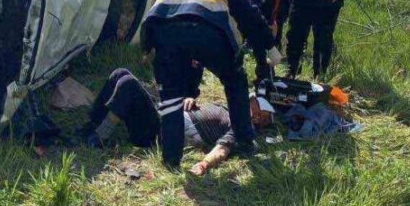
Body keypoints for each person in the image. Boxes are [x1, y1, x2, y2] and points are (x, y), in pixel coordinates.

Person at [140, 0, 283, 168]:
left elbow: (154, 7)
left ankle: (171, 160)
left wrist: (146, 46)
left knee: (170, 96)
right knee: (235, 81)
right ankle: (244, 141)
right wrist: (270, 47)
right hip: (206, 29)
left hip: (163, 31)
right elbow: (249, 14)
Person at [81, 69, 276, 176]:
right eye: (261, 111)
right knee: (120, 74)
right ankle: (90, 126)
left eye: (264, 120)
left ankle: (99, 138)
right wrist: (186, 99)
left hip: (165, 132)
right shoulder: (225, 108)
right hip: (166, 114)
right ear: (251, 100)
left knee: (128, 84)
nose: (259, 118)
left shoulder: (242, 125)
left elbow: (223, 147)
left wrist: (204, 164)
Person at [210, 0, 282, 82]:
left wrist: (271, 21)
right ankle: (234, 74)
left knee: (260, 27)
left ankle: (264, 73)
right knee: (237, 34)